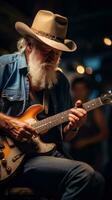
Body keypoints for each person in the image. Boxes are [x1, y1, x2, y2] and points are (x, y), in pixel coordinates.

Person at [0, 10, 104, 200]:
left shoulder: (61, 82)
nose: (52, 57)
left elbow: (65, 137)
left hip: (40, 157)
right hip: (7, 158)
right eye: (46, 50)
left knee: (96, 180)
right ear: (29, 45)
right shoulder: (4, 67)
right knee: (84, 175)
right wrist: (9, 124)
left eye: (56, 53)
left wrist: (74, 126)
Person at [70, 76, 108, 171]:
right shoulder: (69, 108)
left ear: (88, 91)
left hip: (92, 155)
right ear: (73, 90)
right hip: (72, 155)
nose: (79, 92)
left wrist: (85, 142)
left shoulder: (95, 109)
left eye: (82, 89)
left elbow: (105, 133)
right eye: (77, 89)